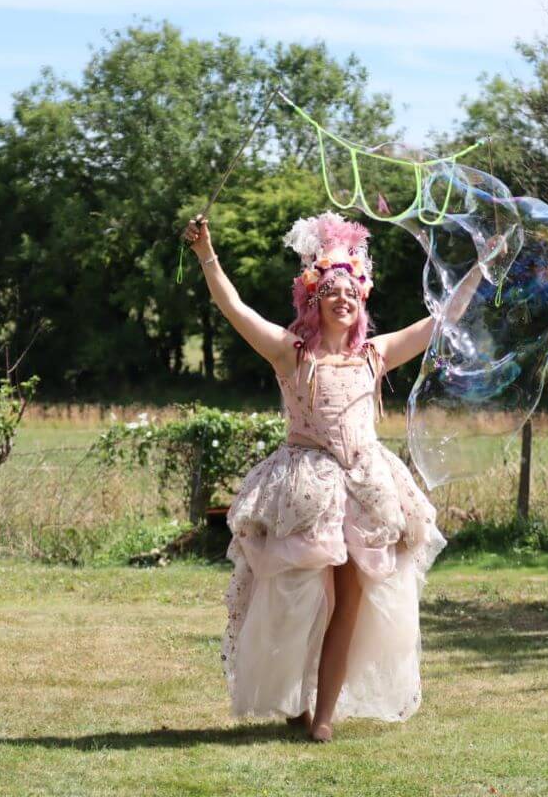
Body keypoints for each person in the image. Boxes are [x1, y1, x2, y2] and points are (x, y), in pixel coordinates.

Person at [182, 209, 448, 742]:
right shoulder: (291, 353)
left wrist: (481, 272)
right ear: (313, 299)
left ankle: (323, 715)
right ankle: (297, 701)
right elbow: (234, 309)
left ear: (361, 300)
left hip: (366, 485)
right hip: (308, 488)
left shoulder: (375, 354)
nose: (343, 299)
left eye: (351, 292)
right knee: (303, 599)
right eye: (331, 291)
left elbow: (438, 322)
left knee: (350, 599)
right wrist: (205, 252)